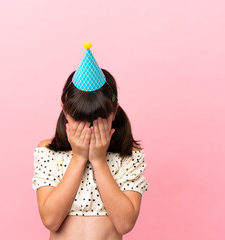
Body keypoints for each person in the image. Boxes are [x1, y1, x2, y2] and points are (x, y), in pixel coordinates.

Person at [32, 42, 149, 240]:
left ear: (113, 112)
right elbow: (51, 220)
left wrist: (99, 160)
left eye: (96, 120)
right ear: (65, 111)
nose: (88, 129)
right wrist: (78, 158)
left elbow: (125, 223)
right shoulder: (49, 151)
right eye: (79, 120)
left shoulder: (128, 154)